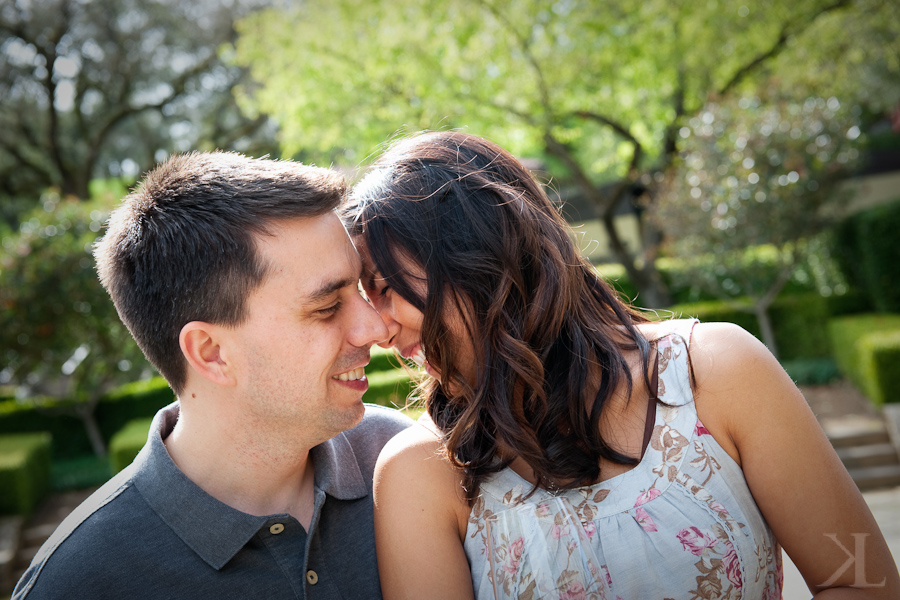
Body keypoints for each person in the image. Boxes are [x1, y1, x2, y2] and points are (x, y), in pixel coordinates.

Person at [343, 131, 900, 599]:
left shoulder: (718, 371)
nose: (374, 329)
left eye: (385, 287)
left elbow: (862, 580)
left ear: (478, 256)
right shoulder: (421, 472)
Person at [13, 151, 412, 599]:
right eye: (326, 307)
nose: (376, 328)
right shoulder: (78, 583)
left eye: (359, 289)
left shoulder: (409, 461)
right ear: (212, 353)